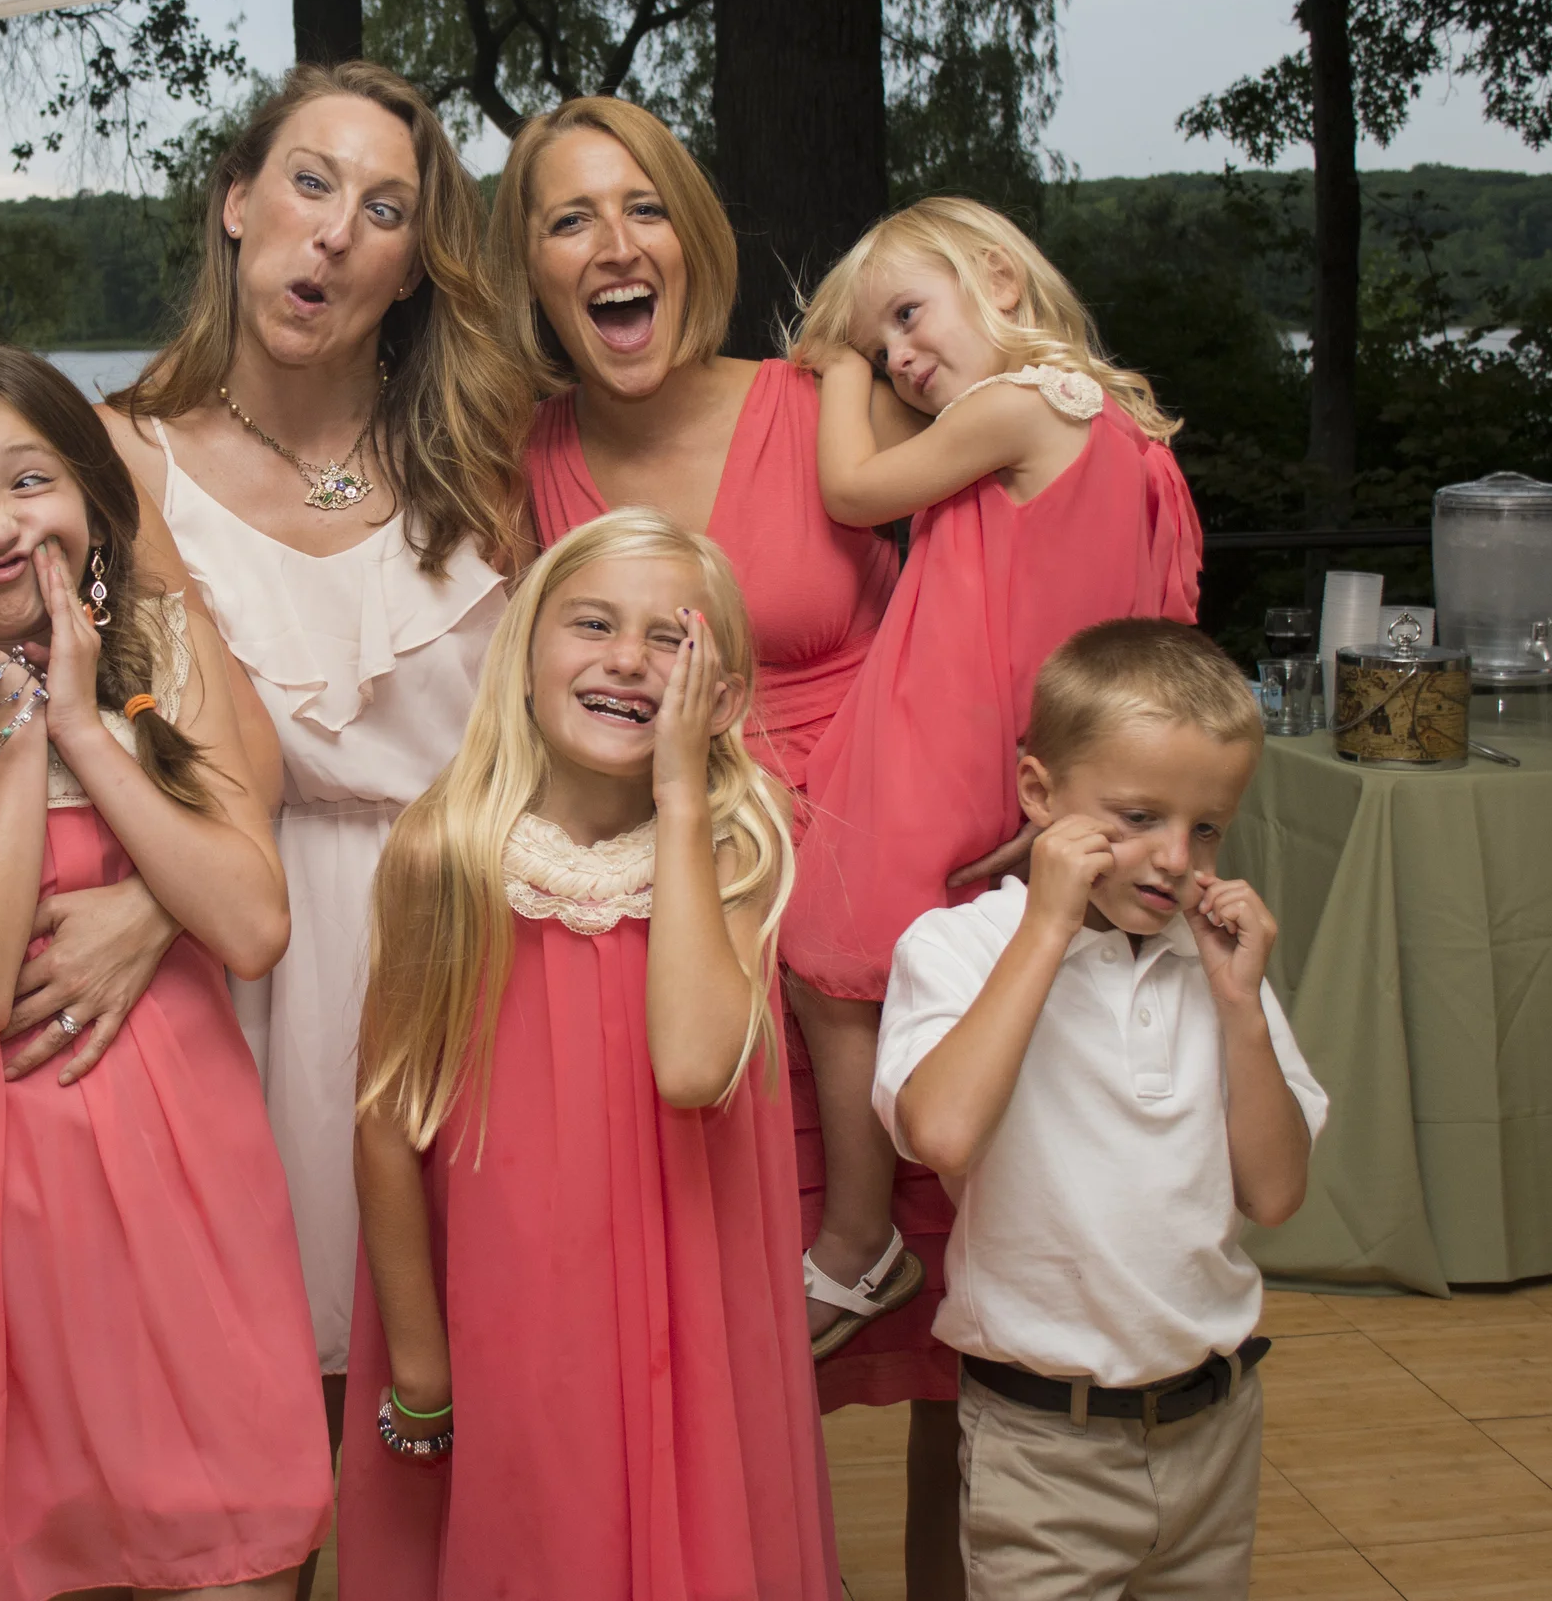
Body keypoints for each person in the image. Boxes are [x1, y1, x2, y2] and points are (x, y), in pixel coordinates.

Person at [493, 95, 962, 1594]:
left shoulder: (825, 399)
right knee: (715, 1370)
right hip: (682, 952)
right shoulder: (523, 458)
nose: (613, 244)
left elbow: (1002, 560)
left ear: (694, 239)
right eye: (570, 218)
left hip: (892, 922)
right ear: (530, 267)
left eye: (643, 208)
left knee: (967, 1374)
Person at [0, 345, 330, 1599]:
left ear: (91, 501)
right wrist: (17, 725)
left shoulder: (166, 639)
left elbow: (252, 923)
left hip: (192, 1178)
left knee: (235, 1542)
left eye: (30, 480)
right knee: (23, 1546)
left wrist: (85, 717)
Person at [100, 60, 532, 1461]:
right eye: (308, 181)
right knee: (251, 1404)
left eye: (384, 209)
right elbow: (171, 738)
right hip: (243, 958)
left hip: (480, 941)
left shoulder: (488, 455)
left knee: (492, 1381)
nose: (336, 231)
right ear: (237, 204)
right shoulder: (125, 461)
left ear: (413, 269)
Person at [337, 507, 840, 1601]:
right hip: (516, 1318)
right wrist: (421, 1367)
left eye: (671, 638)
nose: (627, 658)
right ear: (524, 657)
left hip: (695, 1312)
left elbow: (692, 1066)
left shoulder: (737, 848)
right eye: (595, 623)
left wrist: (678, 797)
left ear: (723, 696)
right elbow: (386, 1124)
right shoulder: (446, 851)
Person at [780, 196, 1202, 1413]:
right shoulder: (1117, 426)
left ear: (1000, 282)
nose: (900, 357)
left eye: (908, 318)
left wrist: (833, 372)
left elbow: (853, 488)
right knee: (982, 997)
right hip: (1033, 749)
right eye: (881, 348)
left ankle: (860, 1235)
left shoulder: (1025, 401)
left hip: (956, 740)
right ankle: (1005, 1251)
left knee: (828, 954)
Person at [875, 618, 1325, 1598]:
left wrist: (1241, 1007)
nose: (1173, 857)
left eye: (1206, 827)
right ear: (1039, 793)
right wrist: (1045, 927)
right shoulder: (956, 949)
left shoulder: (1216, 968)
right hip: (1042, 1445)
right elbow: (942, 1131)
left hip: (1216, 1430)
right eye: (1137, 816)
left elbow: (1276, 1192)